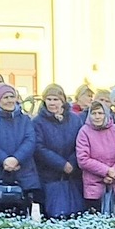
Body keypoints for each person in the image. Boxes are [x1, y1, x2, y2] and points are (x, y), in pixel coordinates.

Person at [0, 84, 42, 217]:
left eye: (11, 96)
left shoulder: (25, 119)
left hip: (23, 174)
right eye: (5, 97)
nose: (9, 100)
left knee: (22, 219)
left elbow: (30, 140)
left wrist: (16, 159)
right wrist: (4, 160)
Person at [34, 86, 85, 220]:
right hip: (49, 175)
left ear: (62, 101)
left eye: (55, 99)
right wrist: (61, 164)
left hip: (73, 175)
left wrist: (72, 162)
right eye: (48, 99)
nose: (52, 103)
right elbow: (39, 147)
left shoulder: (75, 119)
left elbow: (81, 143)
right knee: (53, 215)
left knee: (75, 215)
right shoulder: (38, 122)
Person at [75, 98, 115, 213]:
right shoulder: (84, 132)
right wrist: (106, 171)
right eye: (94, 113)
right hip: (94, 187)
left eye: (100, 113)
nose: (97, 116)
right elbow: (83, 159)